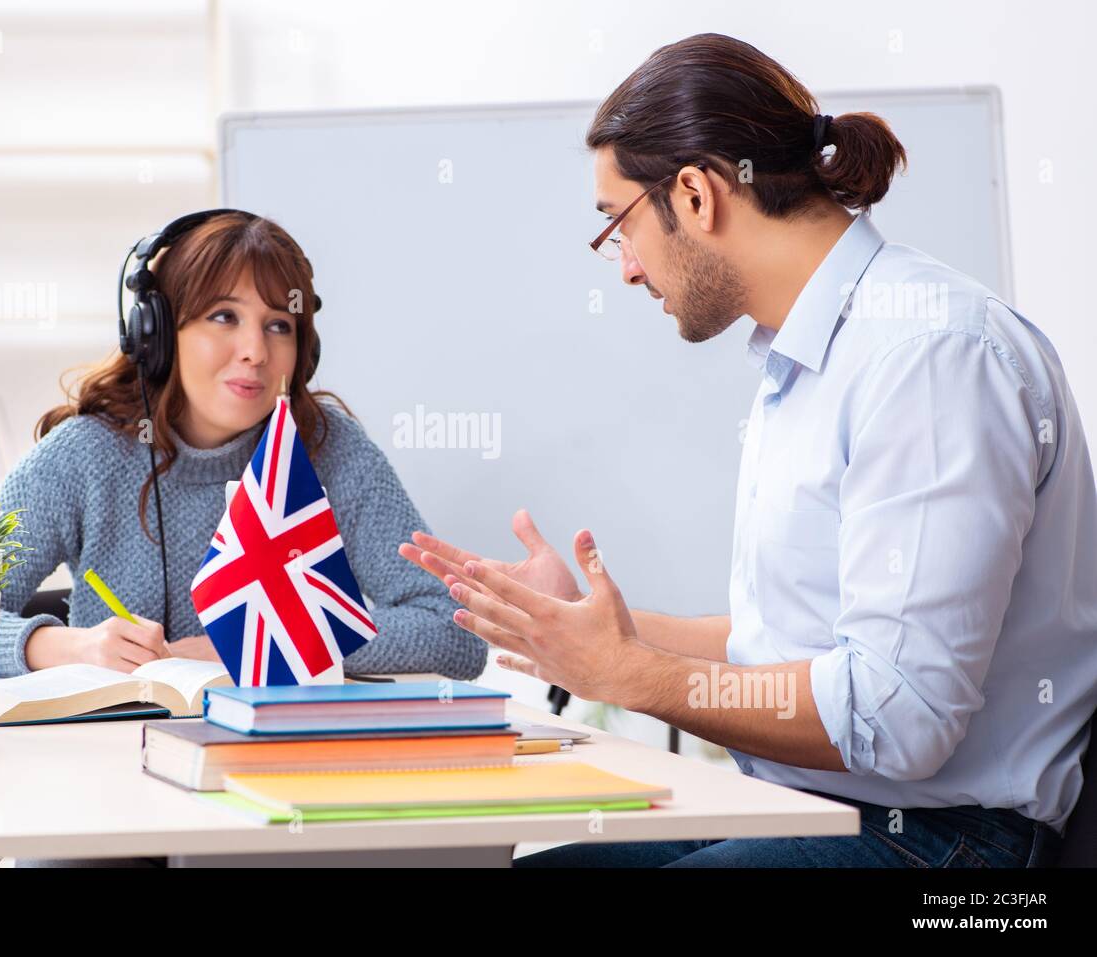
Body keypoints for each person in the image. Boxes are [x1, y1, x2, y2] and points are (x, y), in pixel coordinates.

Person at [402, 33, 1095, 867]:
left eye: (617, 226)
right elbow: (794, 645)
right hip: (803, 805)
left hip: (949, 845)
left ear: (695, 194)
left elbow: (897, 712)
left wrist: (627, 673)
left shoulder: (930, 356)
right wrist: (598, 630)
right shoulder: (804, 355)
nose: (623, 269)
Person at [0, 210, 485, 683]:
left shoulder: (326, 448)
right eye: (224, 316)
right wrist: (65, 647)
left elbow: (454, 629)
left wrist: (270, 643)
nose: (255, 350)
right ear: (160, 333)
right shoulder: (82, 456)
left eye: (278, 326)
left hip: (287, 755)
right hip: (118, 751)